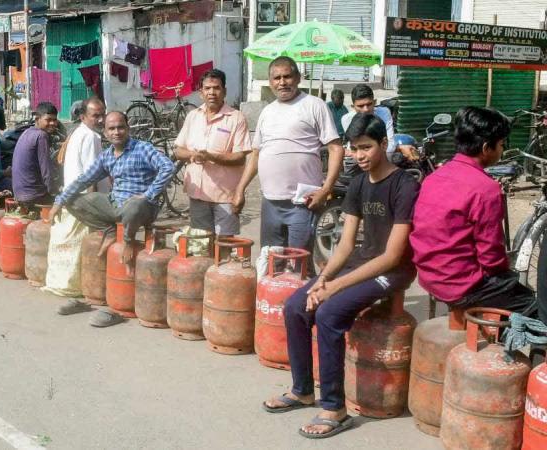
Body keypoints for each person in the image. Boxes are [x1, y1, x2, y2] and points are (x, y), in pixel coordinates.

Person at [263, 113, 420, 439]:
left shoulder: (405, 185)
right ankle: (302, 390)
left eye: (366, 147)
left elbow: (392, 256)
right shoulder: (359, 183)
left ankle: (334, 407)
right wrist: (323, 279)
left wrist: (334, 287)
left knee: (329, 313)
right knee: (296, 306)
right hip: (362, 262)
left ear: (384, 144)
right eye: (354, 148)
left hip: (393, 271)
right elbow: (346, 244)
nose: (359, 155)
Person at [411, 106, 545, 323]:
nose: (502, 150)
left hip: (428, 275)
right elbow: (491, 257)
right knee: (535, 308)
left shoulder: (434, 177)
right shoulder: (485, 188)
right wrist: (506, 274)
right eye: (501, 145)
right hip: (461, 285)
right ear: (485, 148)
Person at [48, 111, 175, 327]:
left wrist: (149, 194)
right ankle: (109, 229)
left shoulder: (142, 148)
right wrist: (58, 202)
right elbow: (83, 179)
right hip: (116, 204)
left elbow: (168, 167)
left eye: (121, 127)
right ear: (105, 132)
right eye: (112, 128)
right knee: (74, 200)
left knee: (134, 206)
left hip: (142, 208)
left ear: (128, 128)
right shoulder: (107, 156)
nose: (117, 132)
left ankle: (127, 240)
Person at [232, 57, 344, 261]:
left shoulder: (314, 105)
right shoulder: (267, 111)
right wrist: (240, 189)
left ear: (298, 78)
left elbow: (336, 148)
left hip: (303, 202)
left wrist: (326, 189)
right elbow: (257, 154)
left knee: (299, 263)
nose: (282, 82)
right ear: (270, 82)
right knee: (271, 262)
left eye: (287, 76)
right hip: (270, 202)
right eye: (277, 78)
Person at [174, 69, 251, 237]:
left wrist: (210, 156)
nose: (212, 92)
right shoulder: (193, 116)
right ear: (201, 93)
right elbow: (178, 150)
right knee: (201, 242)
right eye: (207, 88)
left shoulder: (236, 118)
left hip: (225, 196)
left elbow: (240, 157)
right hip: (197, 194)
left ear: (224, 91)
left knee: (224, 243)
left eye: (216, 88)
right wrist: (192, 155)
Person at [47, 97, 109, 306]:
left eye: (102, 114)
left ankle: (67, 284)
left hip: (73, 196)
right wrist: (95, 204)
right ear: (83, 117)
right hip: (85, 198)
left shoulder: (78, 133)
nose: (100, 120)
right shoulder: (91, 137)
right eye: (95, 116)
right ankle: (83, 286)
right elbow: (91, 175)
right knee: (89, 247)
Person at [12, 102, 59, 207]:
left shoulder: (27, 132)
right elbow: (47, 172)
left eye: (54, 120)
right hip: (34, 196)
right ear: (37, 119)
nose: (52, 123)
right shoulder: (41, 135)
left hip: (19, 194)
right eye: (48, 120)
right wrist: (55, 192)